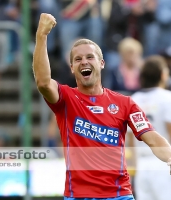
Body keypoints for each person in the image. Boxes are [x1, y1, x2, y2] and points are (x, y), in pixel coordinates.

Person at [33, 13, 171, 200]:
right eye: (78, 59)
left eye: (90, 57)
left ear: (102, 63)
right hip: (79, 195)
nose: (84, 62)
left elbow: (152, 137)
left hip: (118, 195)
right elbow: (42, 82)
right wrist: (42, 36)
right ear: (72, 67)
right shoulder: (66, 98)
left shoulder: (125, 103)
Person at [127, 55, 171, 200]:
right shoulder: (167, 98)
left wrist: (134, 170)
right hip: (164, 163)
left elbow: (131, 139)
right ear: (163, 75)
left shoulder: (133, 99)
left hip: (141, 165)